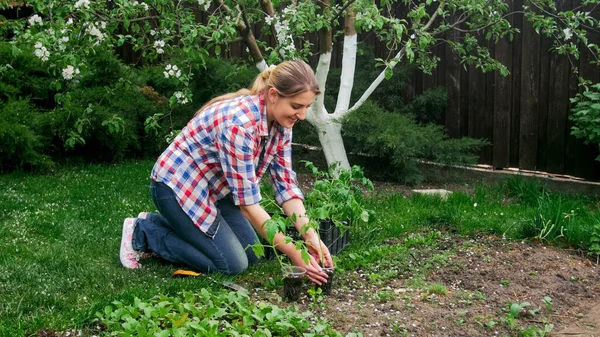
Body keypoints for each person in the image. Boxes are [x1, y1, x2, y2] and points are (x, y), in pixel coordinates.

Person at [119, 60, 333, 285]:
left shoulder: (282, 123)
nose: (301, 115)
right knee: (231, 264)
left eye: (306, 107)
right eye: (297, 106)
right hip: (177, 188)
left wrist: (311, 235)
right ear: (273, 95)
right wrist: (294, 253)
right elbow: (248, 207)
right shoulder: (239, 127)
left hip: (218, 191)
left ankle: (175, 226)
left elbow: (286, 185)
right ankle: (143, 232)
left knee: (254, 254)